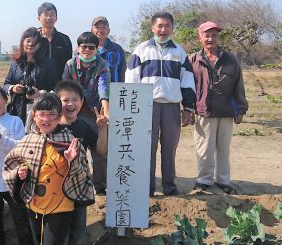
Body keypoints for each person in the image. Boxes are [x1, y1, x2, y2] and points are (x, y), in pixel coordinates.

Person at [3, 93, 95, 245]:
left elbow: (83, 175)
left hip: (61, 205)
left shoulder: (70, 142)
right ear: (34, 116)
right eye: (42, 114)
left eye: (51, 114)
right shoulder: (28, 140)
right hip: (34, 203)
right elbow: (11, 164)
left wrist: (72, 161)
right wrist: (20, 172)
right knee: (37, 240)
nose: (46, 119)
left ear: (59, 117)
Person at [126, 12, 196, 196]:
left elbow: (187, 81)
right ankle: (147, 187)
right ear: (153, 28)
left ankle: (169, 186)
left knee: (169, 147)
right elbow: (131, 79)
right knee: (147, 147)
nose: (163, 29)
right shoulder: (141, 50)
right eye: (160, 26)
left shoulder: (179, 52)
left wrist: (188, 108)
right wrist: (134, 108)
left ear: (172, 28)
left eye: (167, 26)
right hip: (146, 106)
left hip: (172, 106)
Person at [189, 21, 248, 194]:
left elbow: (239, 85)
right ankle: (204, 180)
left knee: (223, 148)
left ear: (218, 37)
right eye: (206, 35)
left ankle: (223, 180)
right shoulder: (193, 60)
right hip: (203, 111)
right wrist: (187, 109)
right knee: (204, 148)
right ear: (200, 37)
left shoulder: (231, 59)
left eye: (214, 35)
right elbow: (187, 87)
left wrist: (241, 108)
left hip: (226, 111)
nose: (210, 39)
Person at [0, 86, 33, 245]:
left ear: (6, 100)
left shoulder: (15, 121)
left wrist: (1, 139)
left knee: (20, 217)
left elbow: (20, 148)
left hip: (12, 179)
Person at [55, 80, 107, 244]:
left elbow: (100, 150)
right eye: (65, 100)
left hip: (79, 186)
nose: (70, 104)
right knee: (59, 231)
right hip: (56, 188)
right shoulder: (51, 127)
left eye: (75, 99)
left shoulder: (84, 126)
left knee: (77, 230)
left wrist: (102, 128)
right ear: (57, 102)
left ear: (82, 102)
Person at [62, 31, 110, 195]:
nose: (87, 50)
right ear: (78, 47)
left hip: (95, 111)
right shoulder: (70, 64)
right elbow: (65, 87)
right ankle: (74, 182)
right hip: (73, 111)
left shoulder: (102, 65)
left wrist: (107, 112)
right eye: (84, 47)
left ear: (97, 49)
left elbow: (104, 89)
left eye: (91, 47)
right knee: (73, 148)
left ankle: (100, 186)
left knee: (99, 150)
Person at [3, 27, 58, 125]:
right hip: (17, 109)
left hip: (40, 109)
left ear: (40, 45)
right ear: (22, 42)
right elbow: (6, 84)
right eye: (28, 41)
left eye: (35, 42)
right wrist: (13, 88)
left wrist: (40, 94)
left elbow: (55, 88)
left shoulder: (48, 64)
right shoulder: (16, 64)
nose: (30, 44)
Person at [36, 2, 72, 78]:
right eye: (45, 14)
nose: (49, 17)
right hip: (37, 85)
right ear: (39, 18)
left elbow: (69, 65)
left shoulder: (65, 40)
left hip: (59, 85)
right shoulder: (33, 39)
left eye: (52, 14)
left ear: (56, 18)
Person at [91, 16, 126, 82]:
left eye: (103, 27)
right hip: (90, 91)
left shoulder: (117, 50)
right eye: (97, 27)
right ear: (91, 30)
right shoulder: (85, 49)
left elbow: (122, 73)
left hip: (112, 90)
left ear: (109, 30)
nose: (100, 30)